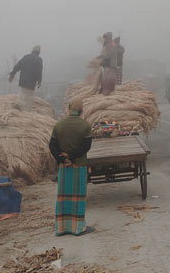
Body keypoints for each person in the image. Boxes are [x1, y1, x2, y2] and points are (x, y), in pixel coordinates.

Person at [49, 98, 94, 236]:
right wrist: (72, 157)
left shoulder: (59, 125)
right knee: (78, 198)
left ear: (69, 108)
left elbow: (52, 145)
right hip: (78, 166)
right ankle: (78, 228)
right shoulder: (85, 126)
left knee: (63, 197)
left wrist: (62, 158)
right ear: (81, 110)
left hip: (64, 167)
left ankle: (62, 228)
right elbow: (86, 147)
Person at [9, 45, 43, 111]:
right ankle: (25, 112)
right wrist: (39, 81)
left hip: (22, 81)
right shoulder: (39, 59)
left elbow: (17, 66)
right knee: (29, 98)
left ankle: (19, 107)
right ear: (39, 52)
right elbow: (39, 71)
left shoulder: (26, 57)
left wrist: (12, 75)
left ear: (32, 50)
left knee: (22, 94)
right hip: (31, 82)